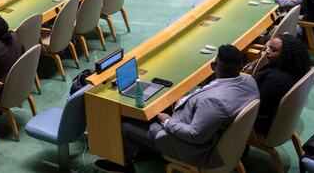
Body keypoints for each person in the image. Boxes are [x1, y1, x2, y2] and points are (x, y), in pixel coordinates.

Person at [94, 45, 259, 172]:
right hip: (217, 136)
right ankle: (146, 146)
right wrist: (186, 101)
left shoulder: (214, 101)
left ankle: (124, 166)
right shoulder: (249, 82)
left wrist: (166, 121)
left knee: (127, 125)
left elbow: (195, 136)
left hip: (195, 148)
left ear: (215, 66)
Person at [248, 33, 310, 134]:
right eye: (268, 46)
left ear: (286, 55)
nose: (267, 51)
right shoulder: (294, 68)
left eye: (274, 50)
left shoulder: (277, 80)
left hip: (257, 122)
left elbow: (256, 106)